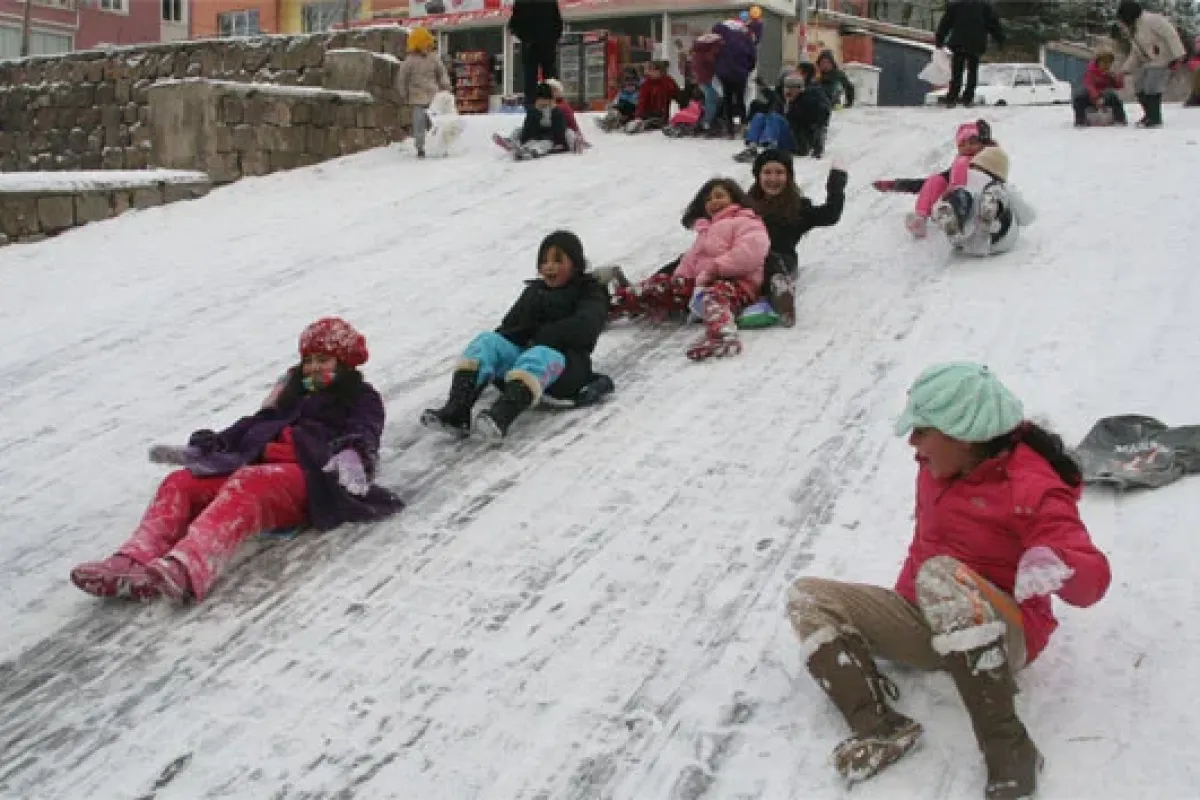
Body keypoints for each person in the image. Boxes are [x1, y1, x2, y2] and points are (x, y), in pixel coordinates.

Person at [787, 362, 1111, 799]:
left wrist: (1058, 564)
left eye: (922, 431)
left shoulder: (1031, 487)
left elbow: (1093, 580)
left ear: (962, 435)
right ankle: (880, 727)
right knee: (808, 597)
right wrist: (899, 611)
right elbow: (925, 541)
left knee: (940, 574)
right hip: (937, 617)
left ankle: (1009, 748)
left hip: (1004, 635)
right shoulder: (938, 467)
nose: (912, 444)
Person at [70, 318, 405, 602]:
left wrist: (352, 457)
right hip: (260, 468)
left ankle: (188, 568)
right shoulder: (291, 393)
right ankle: (130, 563)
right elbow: (251, 426)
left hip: (310, 479)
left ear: (344, 362)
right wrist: (204, 449)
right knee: (180, 482)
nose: (314, 366)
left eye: (324, 359)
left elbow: (366, 432)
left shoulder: (361, 397)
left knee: (249, 482)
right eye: (309, 359)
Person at [422, 231, 611, 441]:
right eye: (544, 261)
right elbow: (511, 327)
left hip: (567, 372)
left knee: (540, 354)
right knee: (486, 342)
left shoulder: (590, 292)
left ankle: (500, 417)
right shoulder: (534, 292)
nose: (549, 266)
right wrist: (499, 351)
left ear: (576, 264)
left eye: (558, 260)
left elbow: (587, 326)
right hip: (528, 363)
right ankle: (457, 411)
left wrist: (547, 335)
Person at [746, 149, 846, 326]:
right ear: (758, 175)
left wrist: (836, 184)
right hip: (746, 258)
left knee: (770, 260)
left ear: (789, 176)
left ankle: (781, 295)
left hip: (781, 261)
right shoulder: (745, 205)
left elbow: (831, 215)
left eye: (779, 173)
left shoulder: (798, 208)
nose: (773, 179)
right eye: (767, 172)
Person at [931, 145, 1036, 257]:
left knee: (959, 196)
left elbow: (935, 213)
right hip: (999, 237)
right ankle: (990, 210)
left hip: (962, 242)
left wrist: (940, 209)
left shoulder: (960, 181)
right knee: (996, 191)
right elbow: (1027, 217)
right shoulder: (1001, 185)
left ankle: (955, 222)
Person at [1115, 0, 1187, 128]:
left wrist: (1179, 56)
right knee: (1138, 86)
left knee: (1151, 86)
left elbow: (1171, 35)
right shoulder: (1134, 29)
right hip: (1149, 61)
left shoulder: (1152, 20)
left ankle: (1155, 118)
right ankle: (1149, 115)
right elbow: (1135, 53)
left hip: (1163, 59)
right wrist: (1124, 70)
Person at [934, 0, 1005, 108]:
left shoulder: (957, 6)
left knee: (957, 70)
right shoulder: (984, 7)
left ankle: (952, 97)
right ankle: (968, 98)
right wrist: (1000, 39)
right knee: (972, 70)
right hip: (976, 43)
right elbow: (993, 24)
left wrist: (939, 39)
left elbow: (945, 23)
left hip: (959, 42)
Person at [395, 27, 452, 159]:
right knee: (419, 123)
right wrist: (403, 93)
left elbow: (441, 72)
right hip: (417, 98)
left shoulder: (434, 58)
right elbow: (402, 78)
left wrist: (446, 85)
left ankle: (441, 145)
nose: (428, 46)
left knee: (437, 123)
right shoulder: (409, 61)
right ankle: (420, 147)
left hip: (433, 97)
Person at [509, 0, 564, 110]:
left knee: (530, 81)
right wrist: (552, 39)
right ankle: (554, 107)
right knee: (550, 79)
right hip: (547, 46)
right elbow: (558, 23)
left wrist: (525, 38)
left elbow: (513, 24)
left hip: (530, 46)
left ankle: (532, 110)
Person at [1073, 49, 1127, 126]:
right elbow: (1089, 85)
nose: (1107, 65)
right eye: (1104, 62)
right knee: (1079, 98)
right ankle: (1080, 120)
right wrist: (1096, 97)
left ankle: (1119, 119)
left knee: (1114, 98)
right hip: (1091, 95)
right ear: (1098, 62)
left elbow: (1118, 86)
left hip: (1104, 95)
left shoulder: (1109, 73)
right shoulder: (1091, 71)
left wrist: (1117, 78)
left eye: (1109, 63)